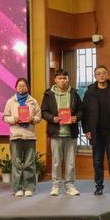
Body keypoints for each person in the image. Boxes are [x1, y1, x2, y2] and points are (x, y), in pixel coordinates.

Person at [82, 65, 110, 196]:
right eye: (98, 74)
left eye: (103, 73)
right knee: (97, 161)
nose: (101, 75)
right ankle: (99, 187)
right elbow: (85, 113)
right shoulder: (90, 92)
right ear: (95, 76)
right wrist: (86, 129)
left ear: (107, 75)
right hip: (95, 132)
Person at [41, 69, 83, 197]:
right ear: (55, 80)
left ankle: (70, 186)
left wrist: (77, 117)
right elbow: (44, 111)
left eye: (64, 78)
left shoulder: (74, 93)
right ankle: (56, 186)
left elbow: (81, 110)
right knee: (56, 162)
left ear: (68, 79)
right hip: (56, 133)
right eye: (59, 78)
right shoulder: (49, 94)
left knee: (70, 162)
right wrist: (52, 118)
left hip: (70, 133)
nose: (62, 81)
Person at [3, 77, 42, 197]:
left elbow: (39, 117)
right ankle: (18, 188)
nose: (22, 88)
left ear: (27, 87)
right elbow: (5, 117)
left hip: (29, 136)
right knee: (16, 163)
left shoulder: (33, 101)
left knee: (29, 163)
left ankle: (29, 187)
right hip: (15, 135)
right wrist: (13, 119)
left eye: (24, 86)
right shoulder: (11, 101)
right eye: (19, 86)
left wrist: (32, 118)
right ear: (16, 87)